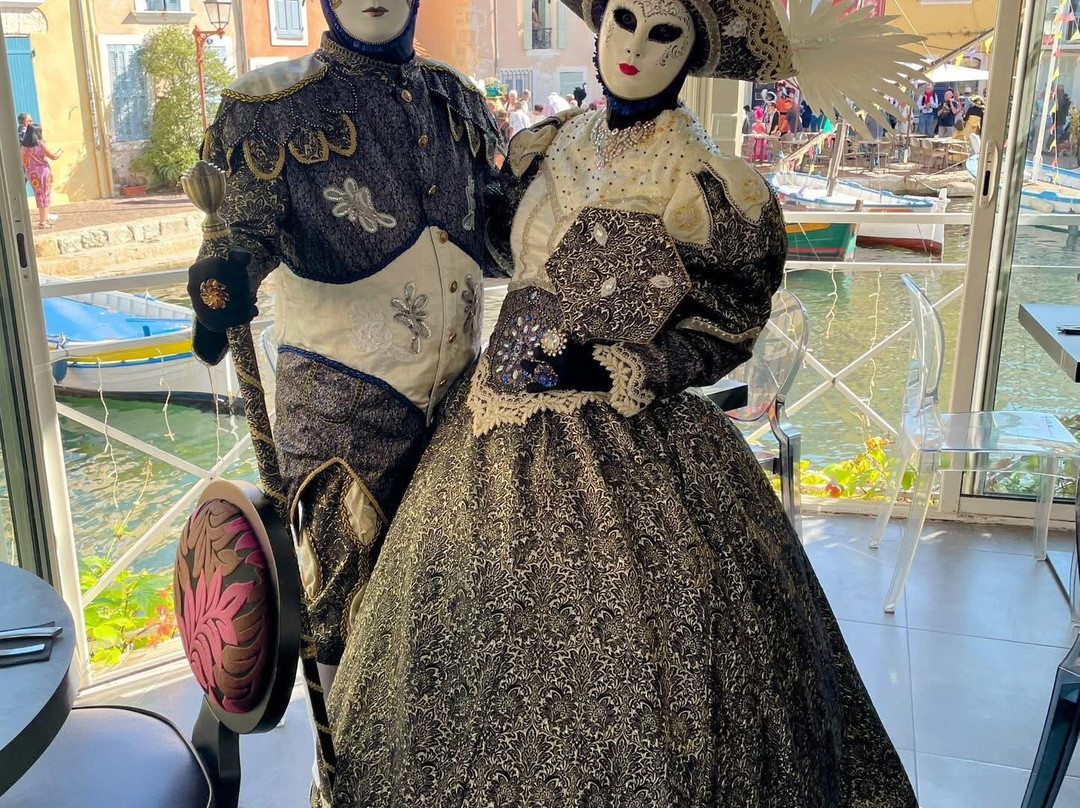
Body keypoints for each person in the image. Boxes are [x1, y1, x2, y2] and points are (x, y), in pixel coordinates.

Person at [326, 0, 920, 805]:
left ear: (693, 52)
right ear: (599, 25)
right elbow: (489, 244)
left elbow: (728, 322)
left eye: (665, 31)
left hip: (633, 440)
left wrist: (626, 367)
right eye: (624, 19)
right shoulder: (545, 147)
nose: (637, 45)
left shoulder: (708, 182)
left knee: (653, 636)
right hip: (487, 429)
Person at [185, 1, 502, 802]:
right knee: (345, 615)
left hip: (460, 416)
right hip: (342, 422)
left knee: (456, 611)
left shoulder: (457, 100)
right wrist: (222, 281)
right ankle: (353, 785)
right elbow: (242, 237)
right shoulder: (271, 108)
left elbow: (500, 234)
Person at [21, 125, 61, 228]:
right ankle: (42, 222)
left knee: (39, 195)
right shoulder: (41, 144)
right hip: (43, 172)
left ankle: (46, 219)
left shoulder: (24, 146)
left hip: (32, 173)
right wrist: (60, 152)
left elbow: (23, 161)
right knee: (45, 195)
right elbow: (53, 156)